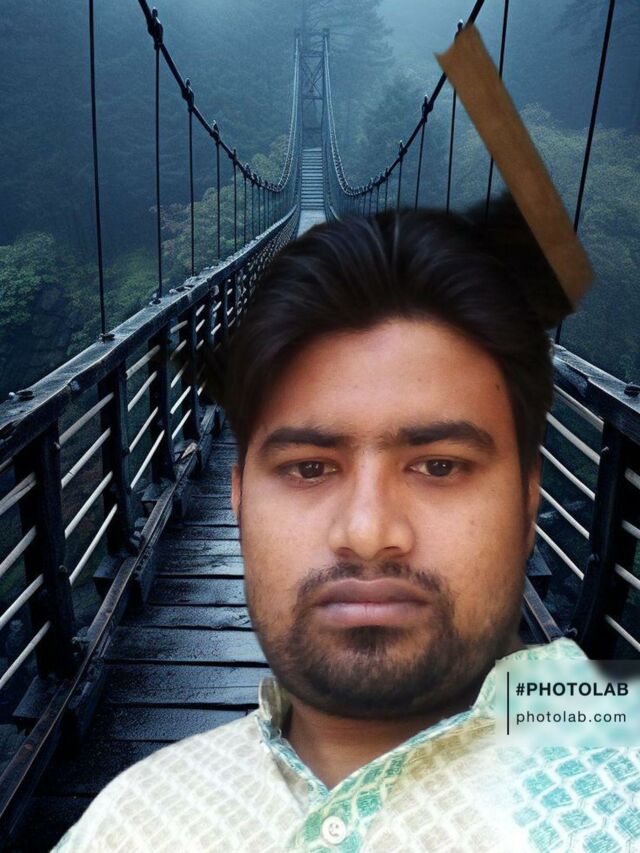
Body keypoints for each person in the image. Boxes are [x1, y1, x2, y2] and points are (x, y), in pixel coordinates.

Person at [53, 210, 639, 852]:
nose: (366, 532)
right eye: (309, 468)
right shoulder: (124, 823)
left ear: (528, 501)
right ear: (238, 496)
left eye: (439, 466)